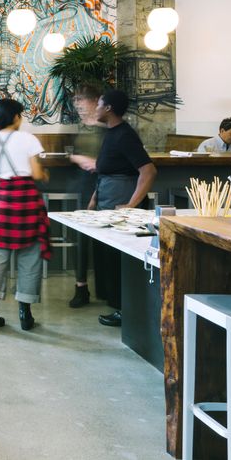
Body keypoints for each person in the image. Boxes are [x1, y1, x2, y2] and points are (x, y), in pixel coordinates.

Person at [0, 98, 51, 331]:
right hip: (27, 199)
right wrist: (45, 174)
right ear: (16, 116)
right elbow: (36, 173)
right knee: (30, 253)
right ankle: (25, 313)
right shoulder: (28, 139)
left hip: (4, 198)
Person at [91, 89, 157, 327]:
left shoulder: (125, 135)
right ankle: (119, 307)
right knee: (109, 258)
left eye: (99, 104)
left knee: (121, 260)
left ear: (108, 108)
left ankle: (125, 310)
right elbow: (106, 170)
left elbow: (148, 171)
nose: (96, 108)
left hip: (120, 205)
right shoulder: (112, 133)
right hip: (107, 200)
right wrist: (94, 199)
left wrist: (131, 205)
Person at [67, 84, 104, 309]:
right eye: (76, 100)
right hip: (85, 184)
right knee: (81, 236)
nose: (77, 104)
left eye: (81, 100)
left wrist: (97, 163)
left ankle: (107, 288)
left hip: (106, 184)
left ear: (95, 100)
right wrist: (78, 158)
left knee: (106, 236)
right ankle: (81, 286)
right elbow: (73, 154)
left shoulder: (108, 126)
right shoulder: (80, 126)